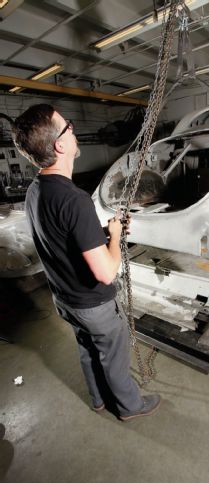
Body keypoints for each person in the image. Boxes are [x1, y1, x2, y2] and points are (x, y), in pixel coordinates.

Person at [12, 104, 161, 420]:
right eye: (68, 126)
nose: (74, 129)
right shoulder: (75, 200)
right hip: (93, 304)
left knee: (88, 350)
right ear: (60, 145)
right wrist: (116, 236)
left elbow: (63, 241)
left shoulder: (35, 191)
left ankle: (98, 400)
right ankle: (130, 406)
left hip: (64, 300)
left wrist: (102, 235)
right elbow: (106, 272)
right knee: (113, 355)